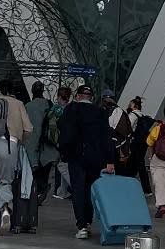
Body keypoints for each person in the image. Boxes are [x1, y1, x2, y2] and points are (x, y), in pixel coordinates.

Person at [57, 83, 115, 238]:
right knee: (90, 190)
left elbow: (64, 131)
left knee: (78, 190)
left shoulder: (71, 110)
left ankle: (81, 225)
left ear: (78, 96)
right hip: (95, 158)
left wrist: (64, 152)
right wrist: (110, 160)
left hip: (76, 156)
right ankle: (88, 221)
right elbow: (106, 137)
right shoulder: (100, 112)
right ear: (92, 98)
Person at [0, 81, 32, 235]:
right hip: (10, 145)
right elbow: (28, 129)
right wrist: (20, 141)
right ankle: (5, 207)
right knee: (6, 181)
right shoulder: (18, 104)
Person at [22, 80, 57, 205]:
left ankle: (37, 192)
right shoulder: (49, 104)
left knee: (34, 170)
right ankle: (42, 190)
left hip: (32, 142)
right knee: (45, 170)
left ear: (32, 91)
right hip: (48, 143)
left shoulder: (28, 106)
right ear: (43, 91)